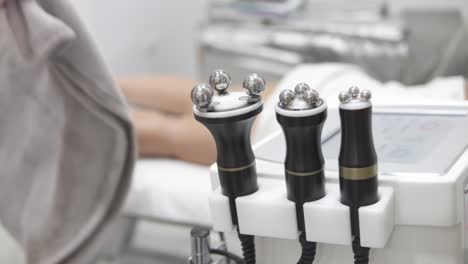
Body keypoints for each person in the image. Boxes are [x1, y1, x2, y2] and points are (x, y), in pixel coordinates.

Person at [121, 64, 468, 165]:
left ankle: (85, 78)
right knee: (170, 135)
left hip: (333, 82)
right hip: (309, 123)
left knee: (203, 93)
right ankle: (76, 118)